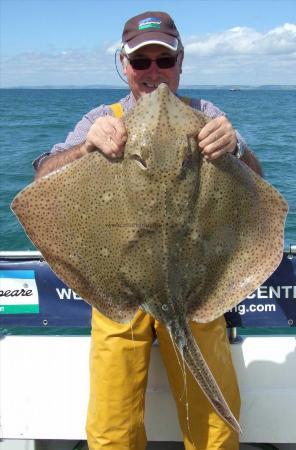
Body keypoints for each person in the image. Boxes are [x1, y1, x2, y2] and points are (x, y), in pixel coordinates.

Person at [34, 11, 262, 450]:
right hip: (120, 288)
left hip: (196, 287)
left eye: (164, 60)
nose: (154, 73)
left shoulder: (208, 114)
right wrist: (87, 146)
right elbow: (42, 180)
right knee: (111, 428)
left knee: (216, 430)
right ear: (124, 65)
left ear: (181, 63)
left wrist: (236, 147)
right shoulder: (102, 117)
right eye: (142, 63)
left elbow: (258, 188)